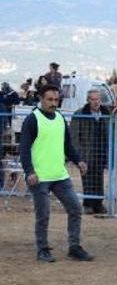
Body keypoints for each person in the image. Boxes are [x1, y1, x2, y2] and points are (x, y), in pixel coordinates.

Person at [19, 85, 93, 262]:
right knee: (43, 215)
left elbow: (67, 146)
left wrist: (78, 161)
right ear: (41, 99)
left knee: (75, 208)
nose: (53, 103)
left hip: (60, 175)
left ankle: (74, 247)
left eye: (56, 100)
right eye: (50, 99)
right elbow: (24, 149)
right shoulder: (32, 120)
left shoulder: (60, 118)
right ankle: (42, 249)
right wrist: (29, 171)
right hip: (39, 177)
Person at [71, 90, 110, 214]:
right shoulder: (79, 114)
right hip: (86, 152)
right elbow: (74, 136)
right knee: (87, 177)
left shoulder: (106, 113)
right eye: (92, 99)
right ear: (88, 100)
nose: (95, 102)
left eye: (97, 99)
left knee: (99, 178)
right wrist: (78, 156)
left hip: (101, 151)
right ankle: (88, 204)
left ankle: (98, 203)